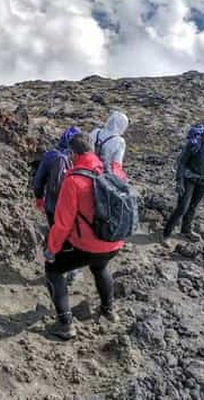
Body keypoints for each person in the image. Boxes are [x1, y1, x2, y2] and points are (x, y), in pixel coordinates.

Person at [44, 133, 124, 341]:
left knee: (53, 270)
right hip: (114, 241)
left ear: (72, 153)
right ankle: (109, 310)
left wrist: (51, 250)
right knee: (100, 267)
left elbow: (63, 224)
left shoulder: (74, 181)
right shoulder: (113, 169)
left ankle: (66, 324)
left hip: (88, 245)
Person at [162, 118, 204, 240]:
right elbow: (182, 162)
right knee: (182, 207)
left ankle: (186, 230)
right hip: (189, 179)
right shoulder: (195, 142)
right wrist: (179, 181)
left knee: (193, 207)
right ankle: (166, 234)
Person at [32, 126, 81, 226]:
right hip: (70, 206)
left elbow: (39, 180)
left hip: (51, 205)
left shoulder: (50, 155)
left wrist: (39, 198)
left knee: (53, 229)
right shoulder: (78, 157)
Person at [89, 111, 129, 181]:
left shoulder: (95, 132)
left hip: (89, 167)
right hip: (105, 173)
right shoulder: (119, 141)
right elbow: (117, 164)